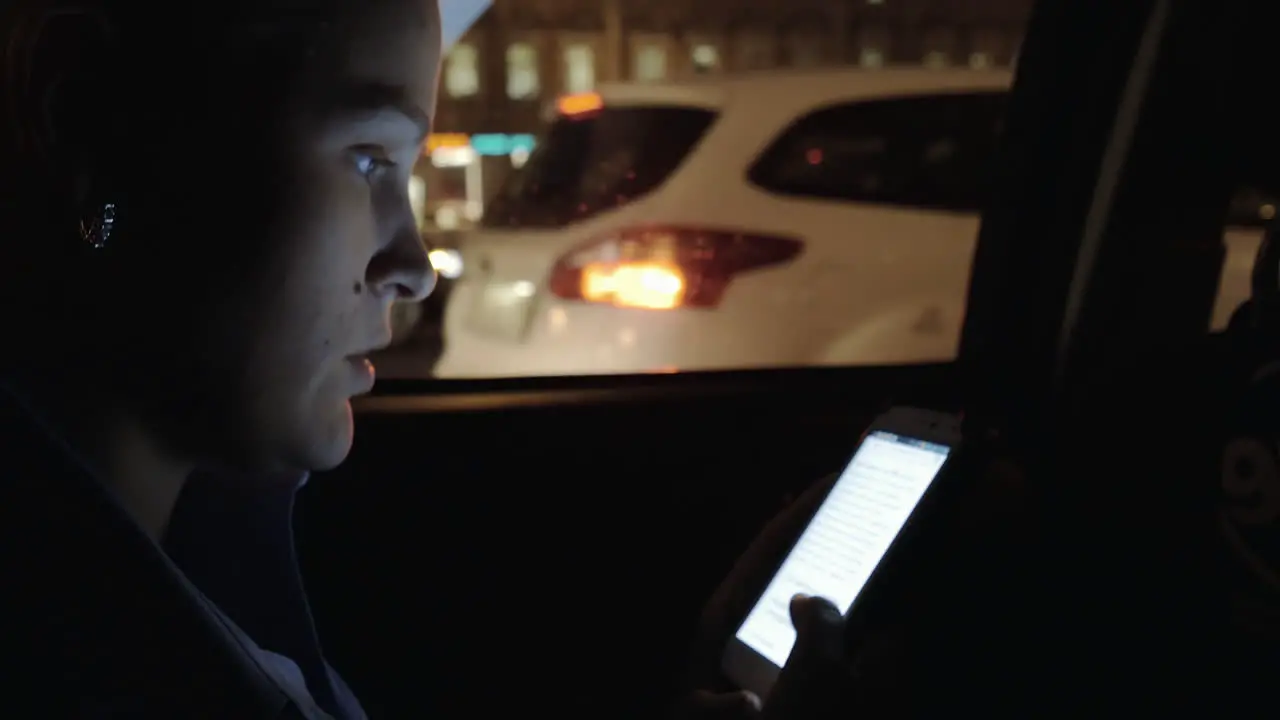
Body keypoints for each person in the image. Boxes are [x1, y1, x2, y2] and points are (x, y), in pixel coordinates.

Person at [0, 0, 852, 717]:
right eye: (369, 157)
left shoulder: (170, 555)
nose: (413, 264)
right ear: (90, 123)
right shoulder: (71, 649)